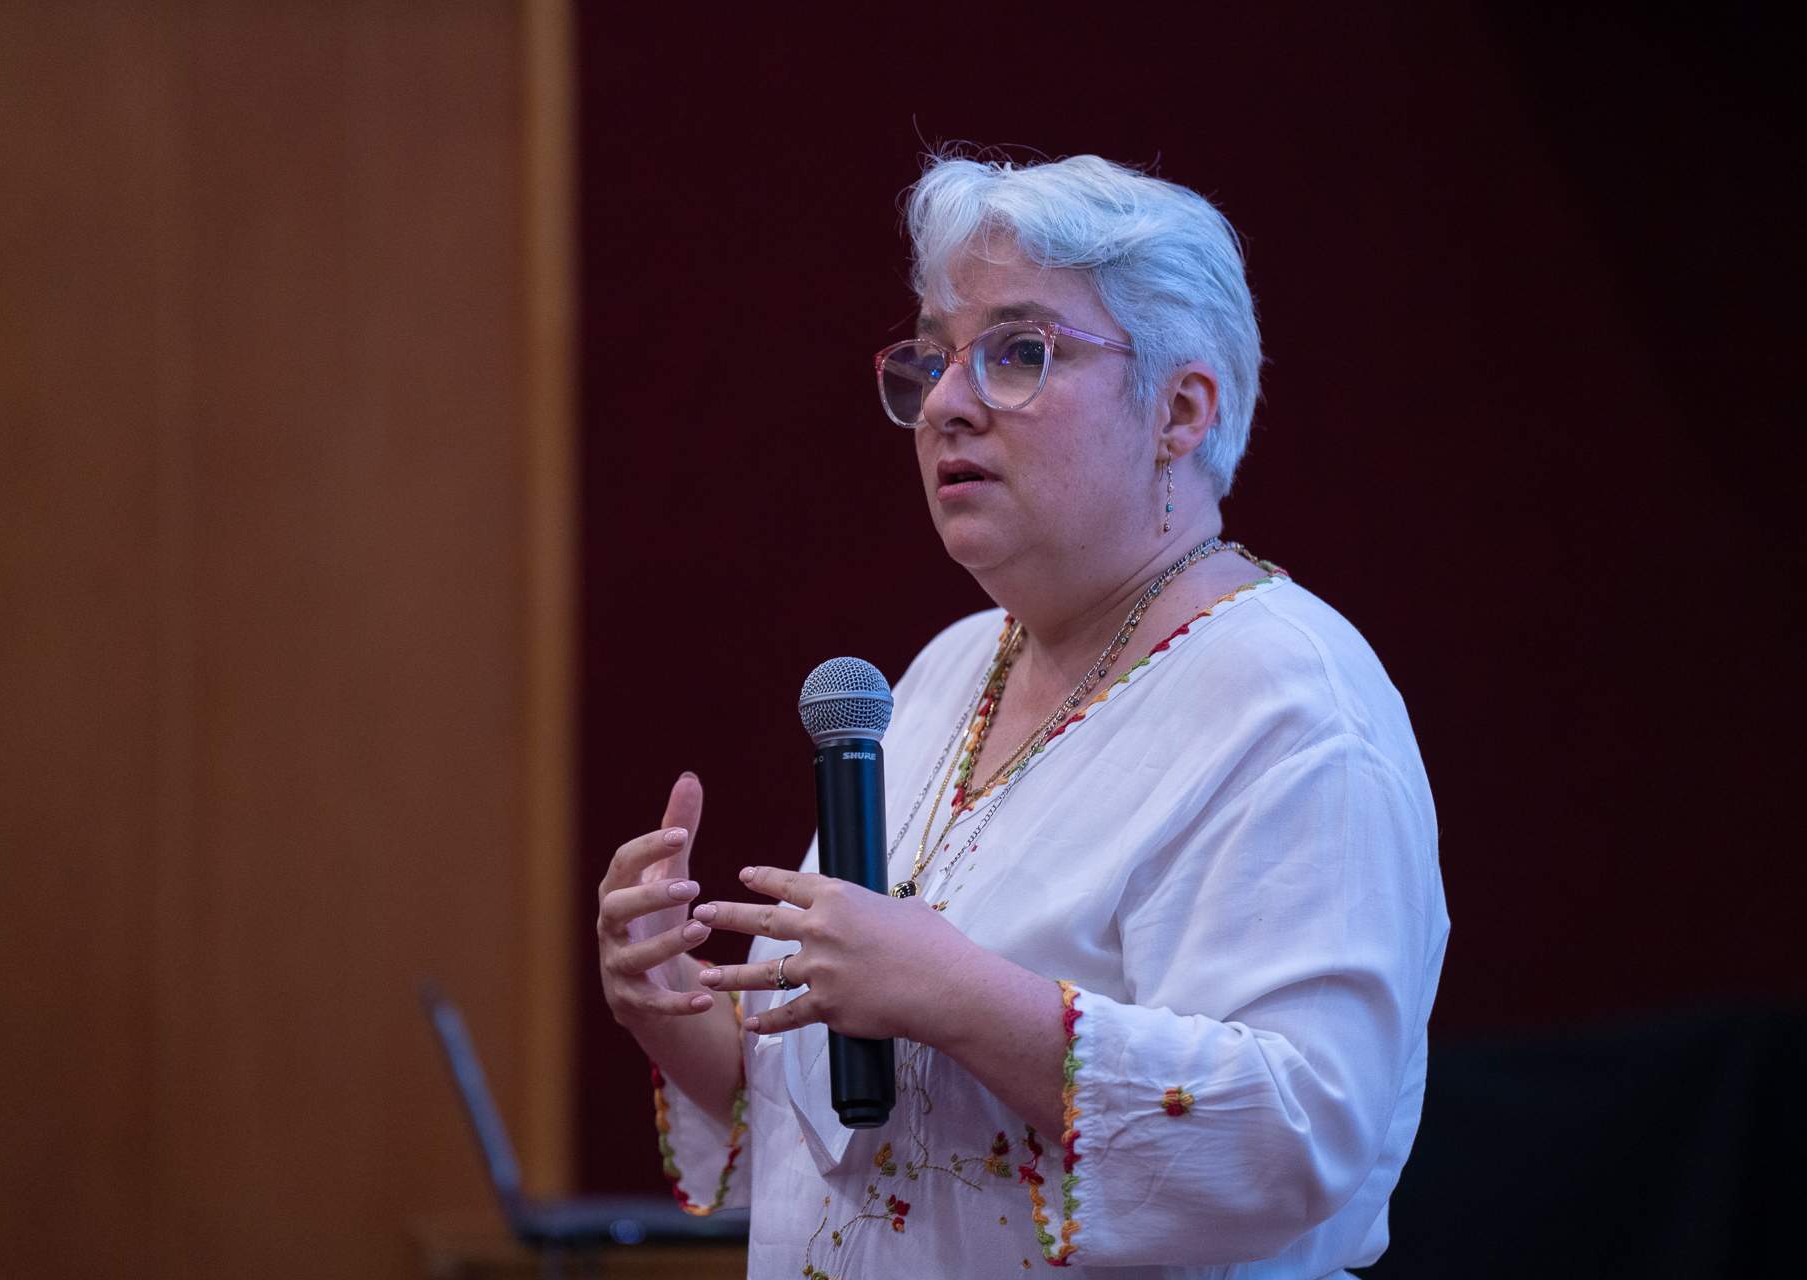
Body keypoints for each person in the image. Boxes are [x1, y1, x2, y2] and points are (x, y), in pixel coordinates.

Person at [595, 151, 1447, 1278]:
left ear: (1180, 410)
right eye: (936, 357)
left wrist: (958, 993)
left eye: (1017, 353)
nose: (947, 404)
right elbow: (863, 1139)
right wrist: (672, 1008)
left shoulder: (1291, 702)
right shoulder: (951, 669)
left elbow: (1303, 1132)